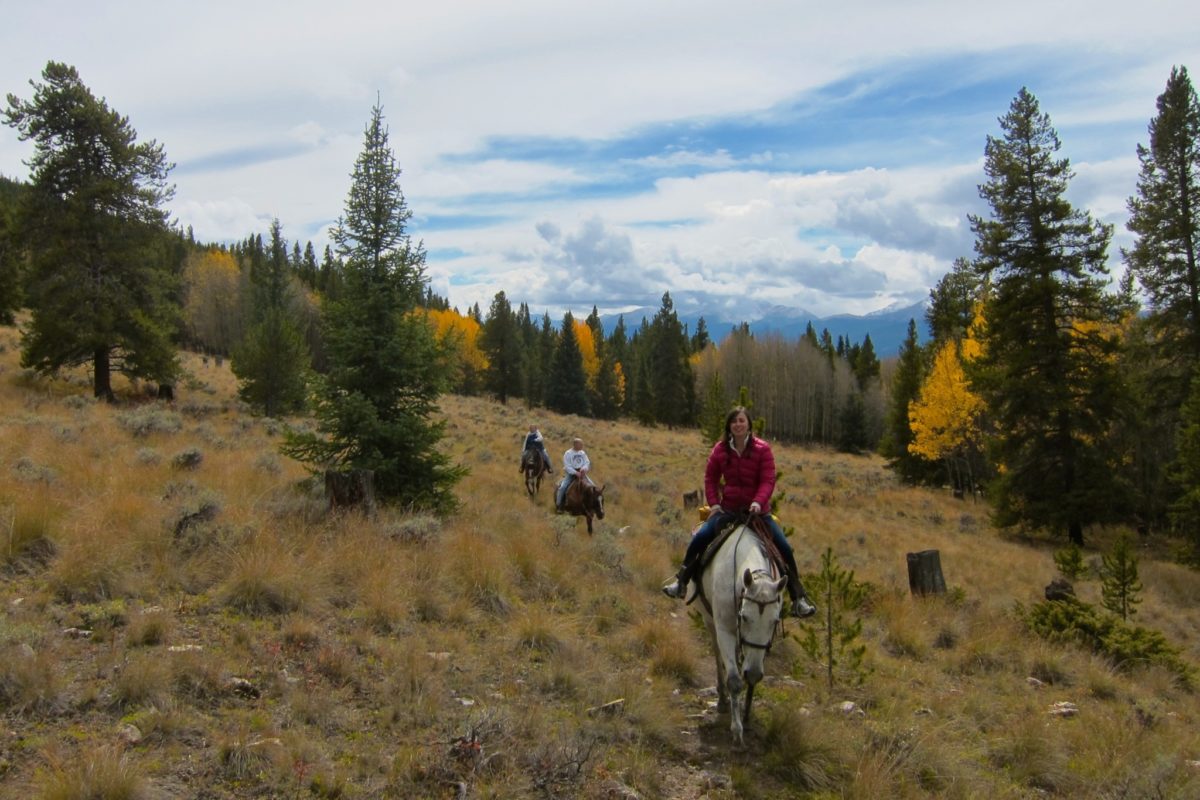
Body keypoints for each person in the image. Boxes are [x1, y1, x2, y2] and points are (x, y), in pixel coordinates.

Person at [662, 407, 816, 618]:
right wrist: (714, 504)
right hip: (729, 511)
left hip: (757, 514)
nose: (738, 425)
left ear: (748, 424)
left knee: (784, 547)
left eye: (741, 421)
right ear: (729, 426)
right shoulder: (720, 450)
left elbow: (768, 480)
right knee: (700, 538)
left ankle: (798, 598)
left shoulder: (763, 449)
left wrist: (758, 502)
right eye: (734, 421)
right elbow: (710, 478)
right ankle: (681, 581)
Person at [556, 437, 594, 512]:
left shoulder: (582, 453)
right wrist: (575, 473)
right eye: (581, 444)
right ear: (575, 444)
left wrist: (584, 468)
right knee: (562, 487)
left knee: (593, 487)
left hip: (582, 473)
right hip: (571, 474)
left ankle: (592, 505)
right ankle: (559, 505)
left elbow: (587, 462)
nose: (582, 446)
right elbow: (567, 466)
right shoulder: (568, 453)